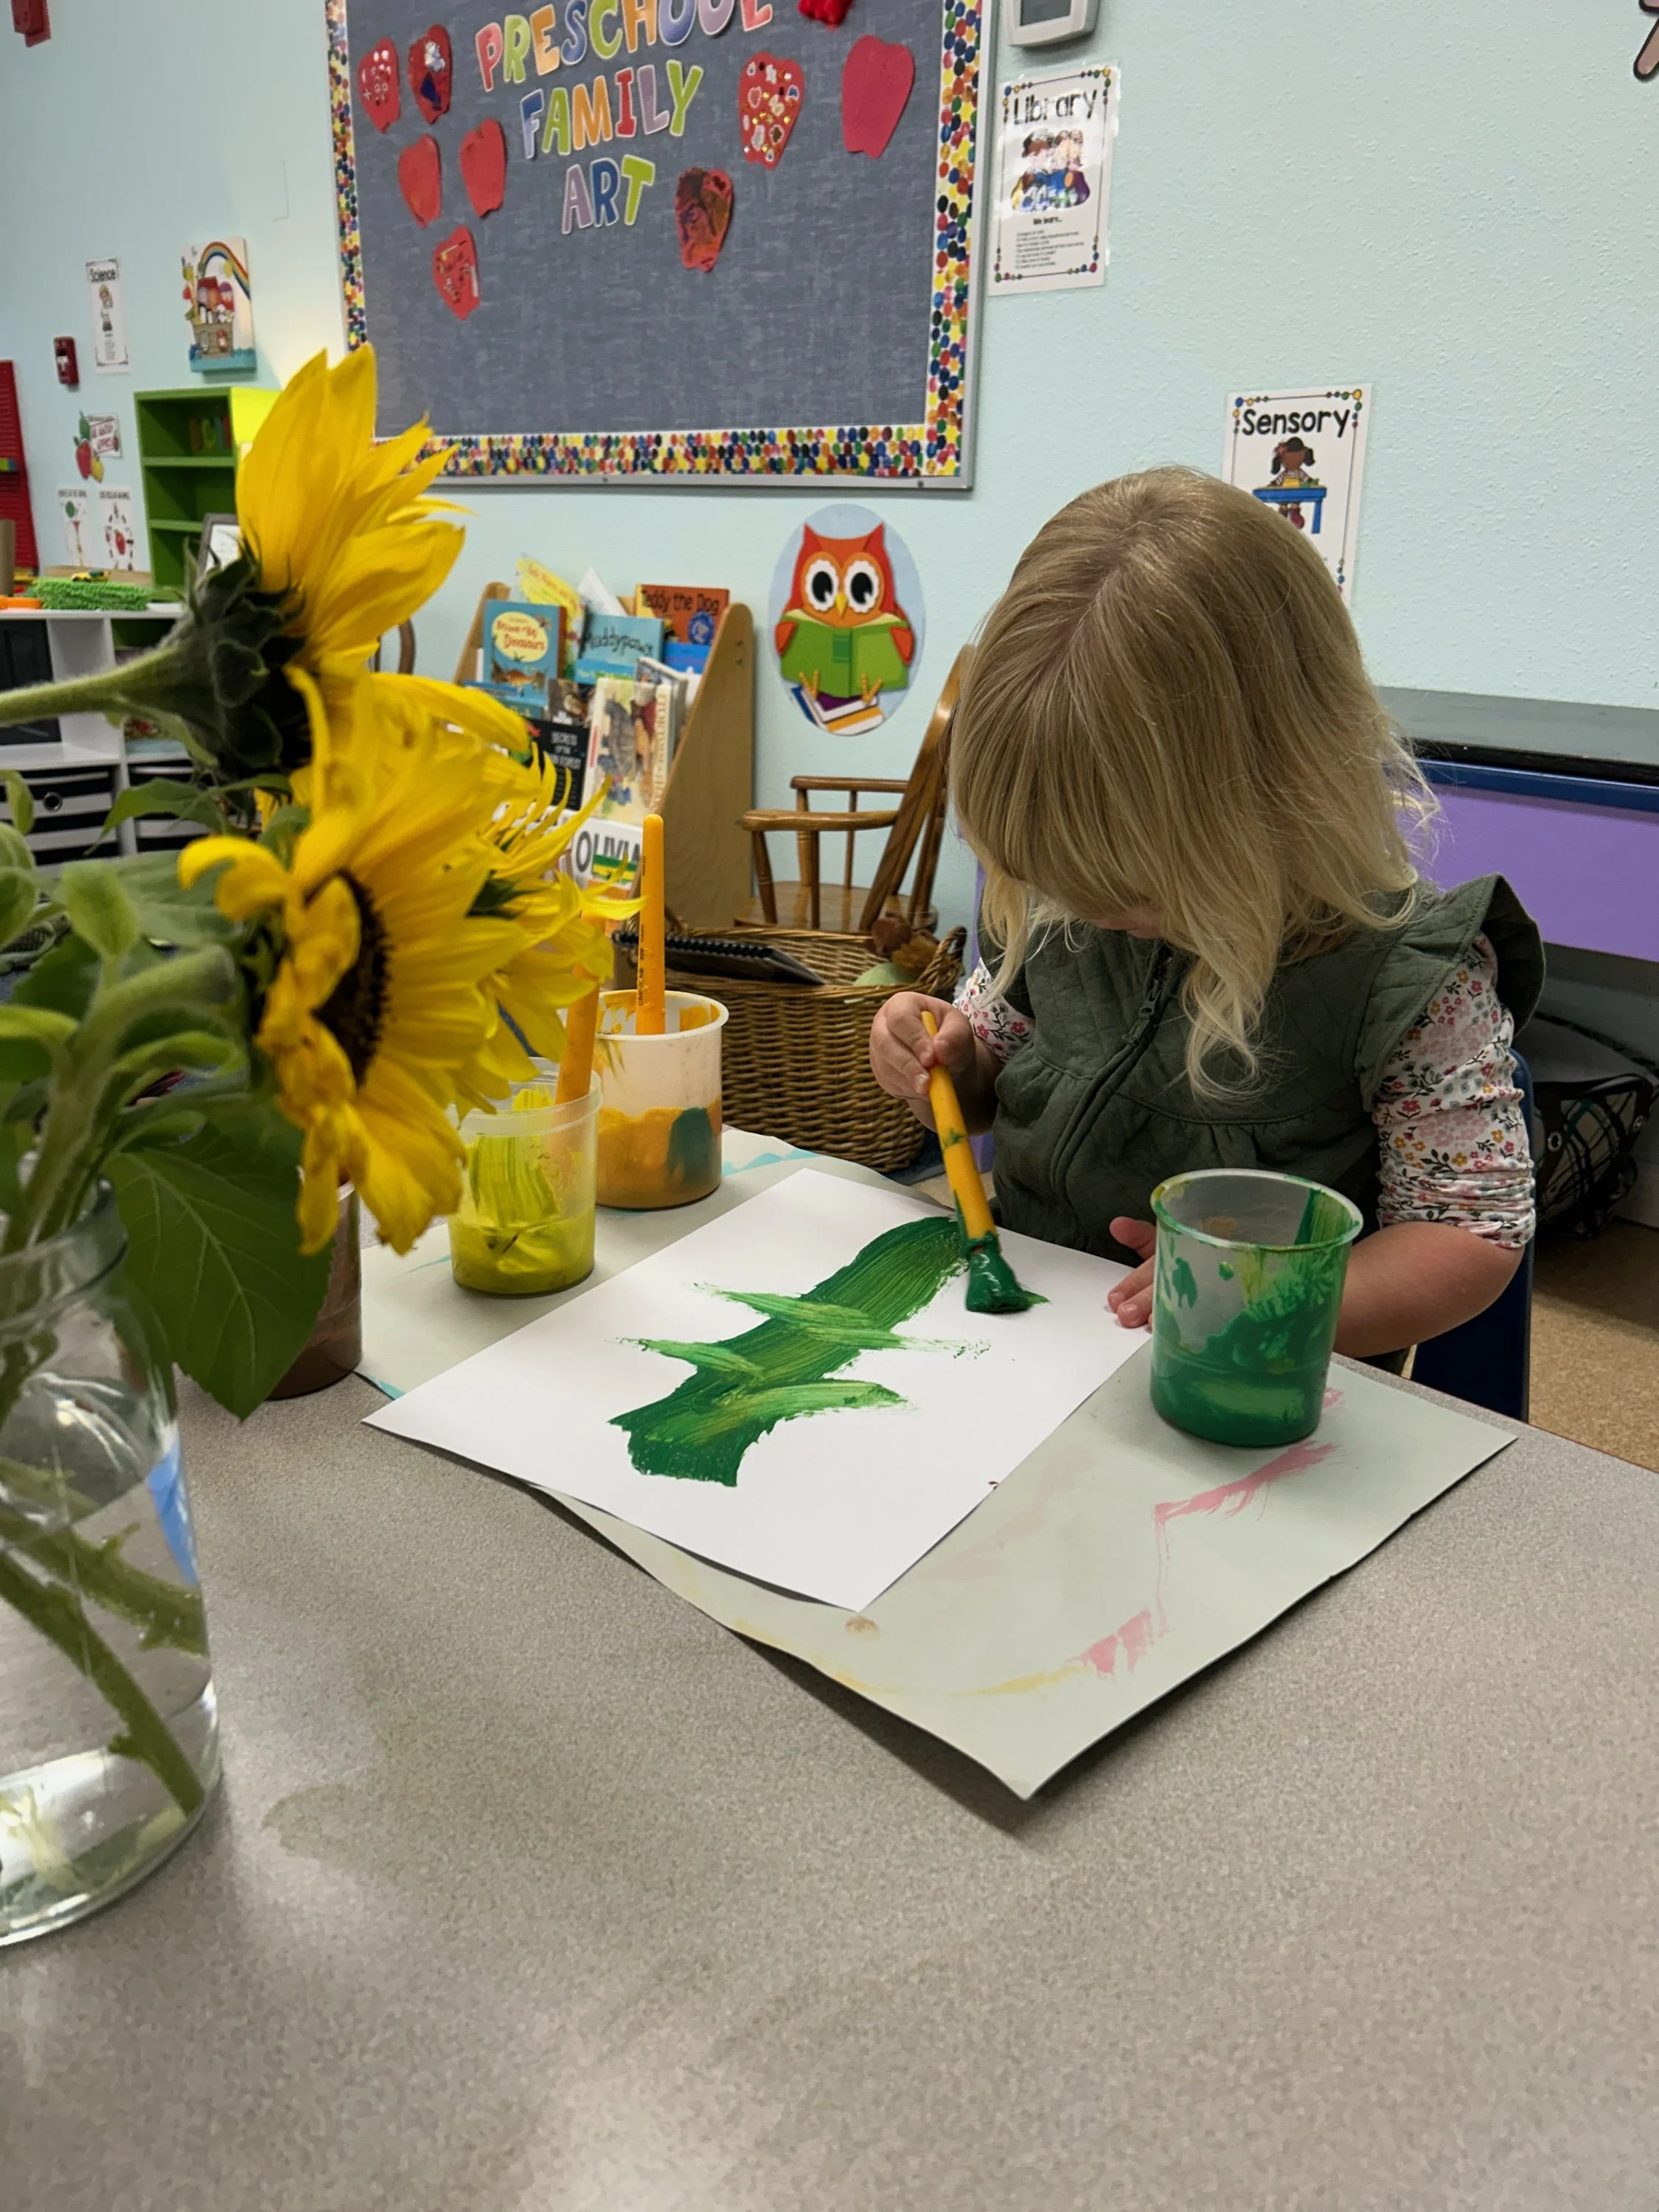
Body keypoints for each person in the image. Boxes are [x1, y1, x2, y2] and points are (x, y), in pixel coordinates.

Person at [869, 468, 1543, 1362]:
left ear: (1281, 791)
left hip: (1251, 1394)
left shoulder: (1410, 986)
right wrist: (947, 1061)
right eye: (1061, 883)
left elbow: (1472, 1236)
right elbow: (993, 1072)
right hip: (1032, 1358)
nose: (1089, 912)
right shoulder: (1067, 913)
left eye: (1132, 884)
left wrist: (1273, 1296)